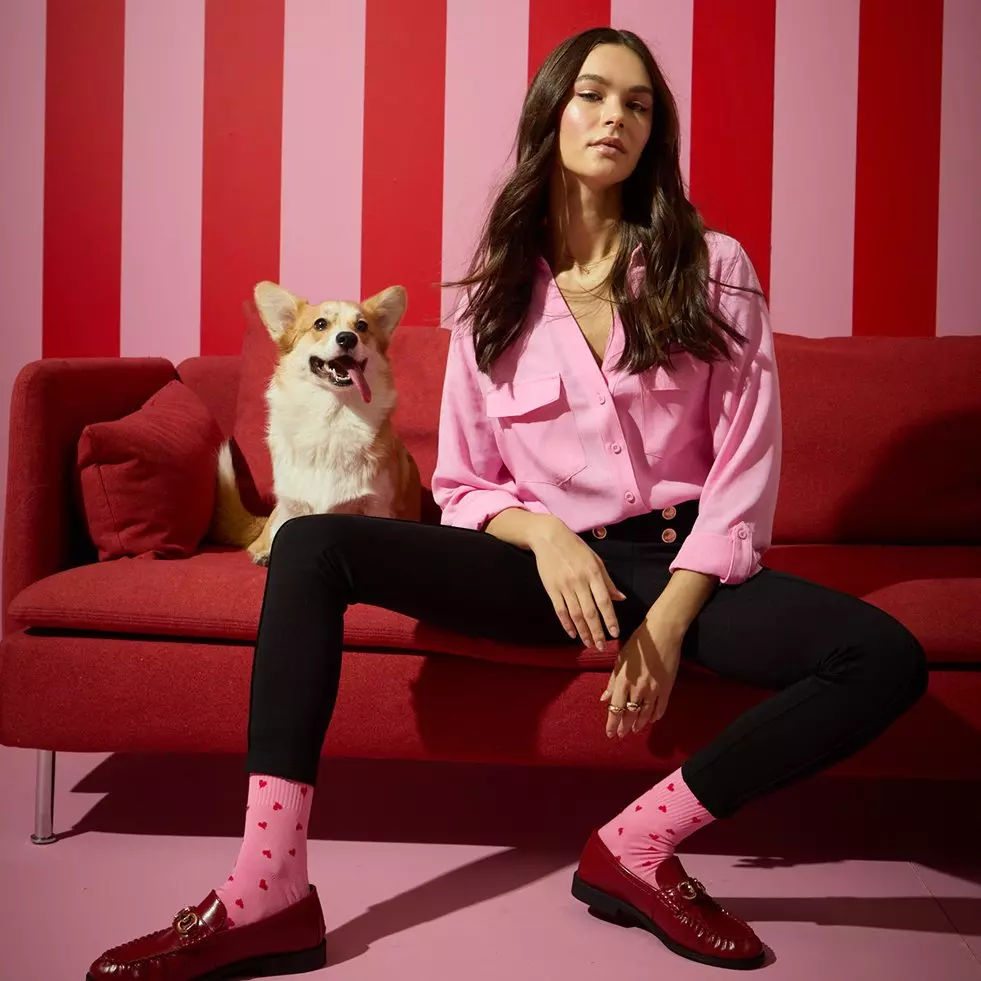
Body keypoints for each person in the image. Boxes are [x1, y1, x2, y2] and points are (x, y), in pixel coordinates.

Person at [88, 27, 927, 979]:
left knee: (883, 656)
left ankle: (637, 847)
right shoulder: (497, 295)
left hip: (681, 560)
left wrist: (670, 611)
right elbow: (463, 482)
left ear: (656, 131)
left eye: (638, 103)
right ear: (551, 115)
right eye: (592, 96)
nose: (615, 116)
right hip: (540, 566)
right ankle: (266, 885)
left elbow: (747, 460)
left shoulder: (714, 264)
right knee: (314, 544)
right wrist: (545, 537)